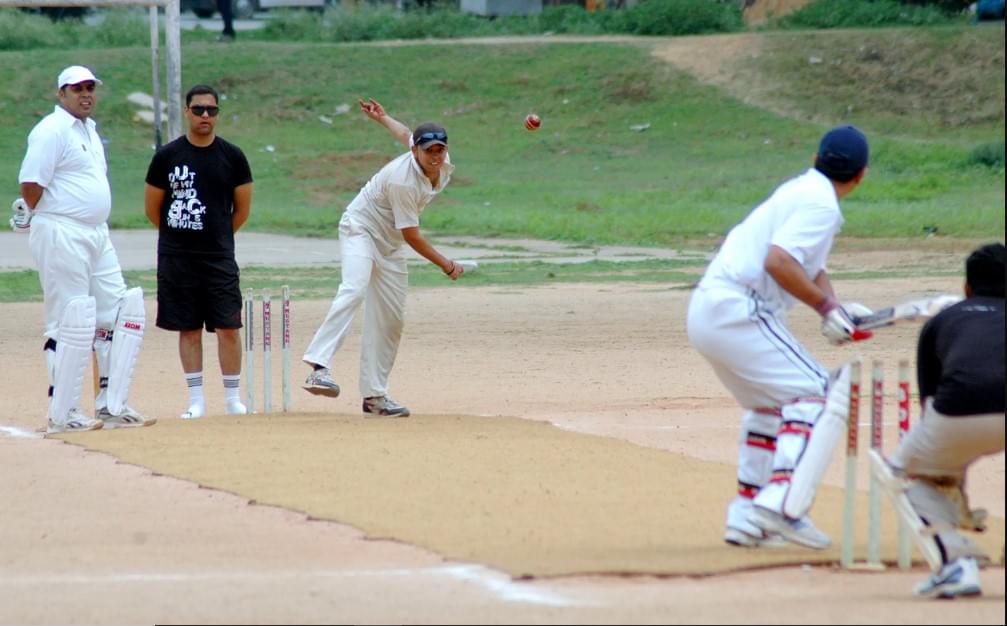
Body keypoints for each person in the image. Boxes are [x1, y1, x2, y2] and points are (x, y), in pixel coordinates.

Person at [686, 125, 873, 550]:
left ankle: (748, 515)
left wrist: (837, 309)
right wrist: (825, 310)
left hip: (708, 309)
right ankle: (781, 504)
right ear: (861, 175)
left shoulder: (803, 190)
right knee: (820, 396)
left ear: (815, 158)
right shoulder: (821, 205)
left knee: (770, 407)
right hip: (741, 310)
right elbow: (779, 261)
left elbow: (807, 267)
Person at [301, 98, 465, 417]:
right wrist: (446, 264)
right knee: (355, 287)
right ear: (416, 151)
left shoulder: (438, 159)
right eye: (429, 150)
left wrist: (384, 117)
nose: (435, 156)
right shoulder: (402, 180)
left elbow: (405, 132)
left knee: (391, 319)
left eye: (440, 149)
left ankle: (375, 397)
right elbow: (412, 236)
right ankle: (319, 367)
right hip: (360, 228)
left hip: (388, 242)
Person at [14, 65, 154, 433]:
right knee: (69, 318)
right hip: (62, 230)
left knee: (115, 310)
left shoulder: (89, 130)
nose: (86, 94)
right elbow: (31, 182)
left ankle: (111, 403)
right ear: (62, 94)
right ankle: (64, 411)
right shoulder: (51, 130)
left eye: (90, 88)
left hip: (96, 233)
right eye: (77, 89)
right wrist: (40, 214)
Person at [871, 243, 1005, 599]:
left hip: (957, 408)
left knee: (903, 474)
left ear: (966, 287)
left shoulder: (942, 321)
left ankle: (957, 565)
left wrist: (947, 478)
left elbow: (929, 405)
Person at [144, 84, 253, 419]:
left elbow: (242, 210)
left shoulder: (232, 156)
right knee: (187, 327)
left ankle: (233, 398)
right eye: (199, 109)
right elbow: (153, 209)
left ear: (217, 114)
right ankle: (196, 400)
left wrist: (216, 235)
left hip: (218, 256)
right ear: (187, 112)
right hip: (177, 257)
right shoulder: (167, 156)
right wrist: (182, 236)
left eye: (212, 110)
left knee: (228, 326)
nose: (206, 115)